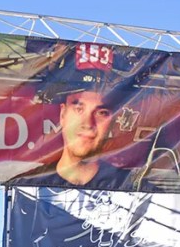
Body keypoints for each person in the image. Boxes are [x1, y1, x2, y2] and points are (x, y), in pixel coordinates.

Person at [8, 44, 132, 190]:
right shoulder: (26, 186)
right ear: (63, 114)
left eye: (101, 113)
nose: (87, 124)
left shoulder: (132, 188)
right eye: (79, 109)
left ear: (112, 121)